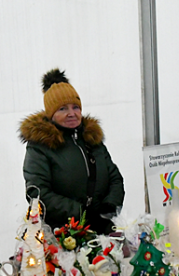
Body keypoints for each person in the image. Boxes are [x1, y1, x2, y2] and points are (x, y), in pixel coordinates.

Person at [19, 68, 124, 234]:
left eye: (75, 107)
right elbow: (38, 194)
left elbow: (115, 178)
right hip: (62, 235)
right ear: (51, 114)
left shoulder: (92, 140)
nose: (71, 114)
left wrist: (109, 206)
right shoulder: (40, 147)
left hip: (102, 227)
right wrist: (83, 214)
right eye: (62, 109)